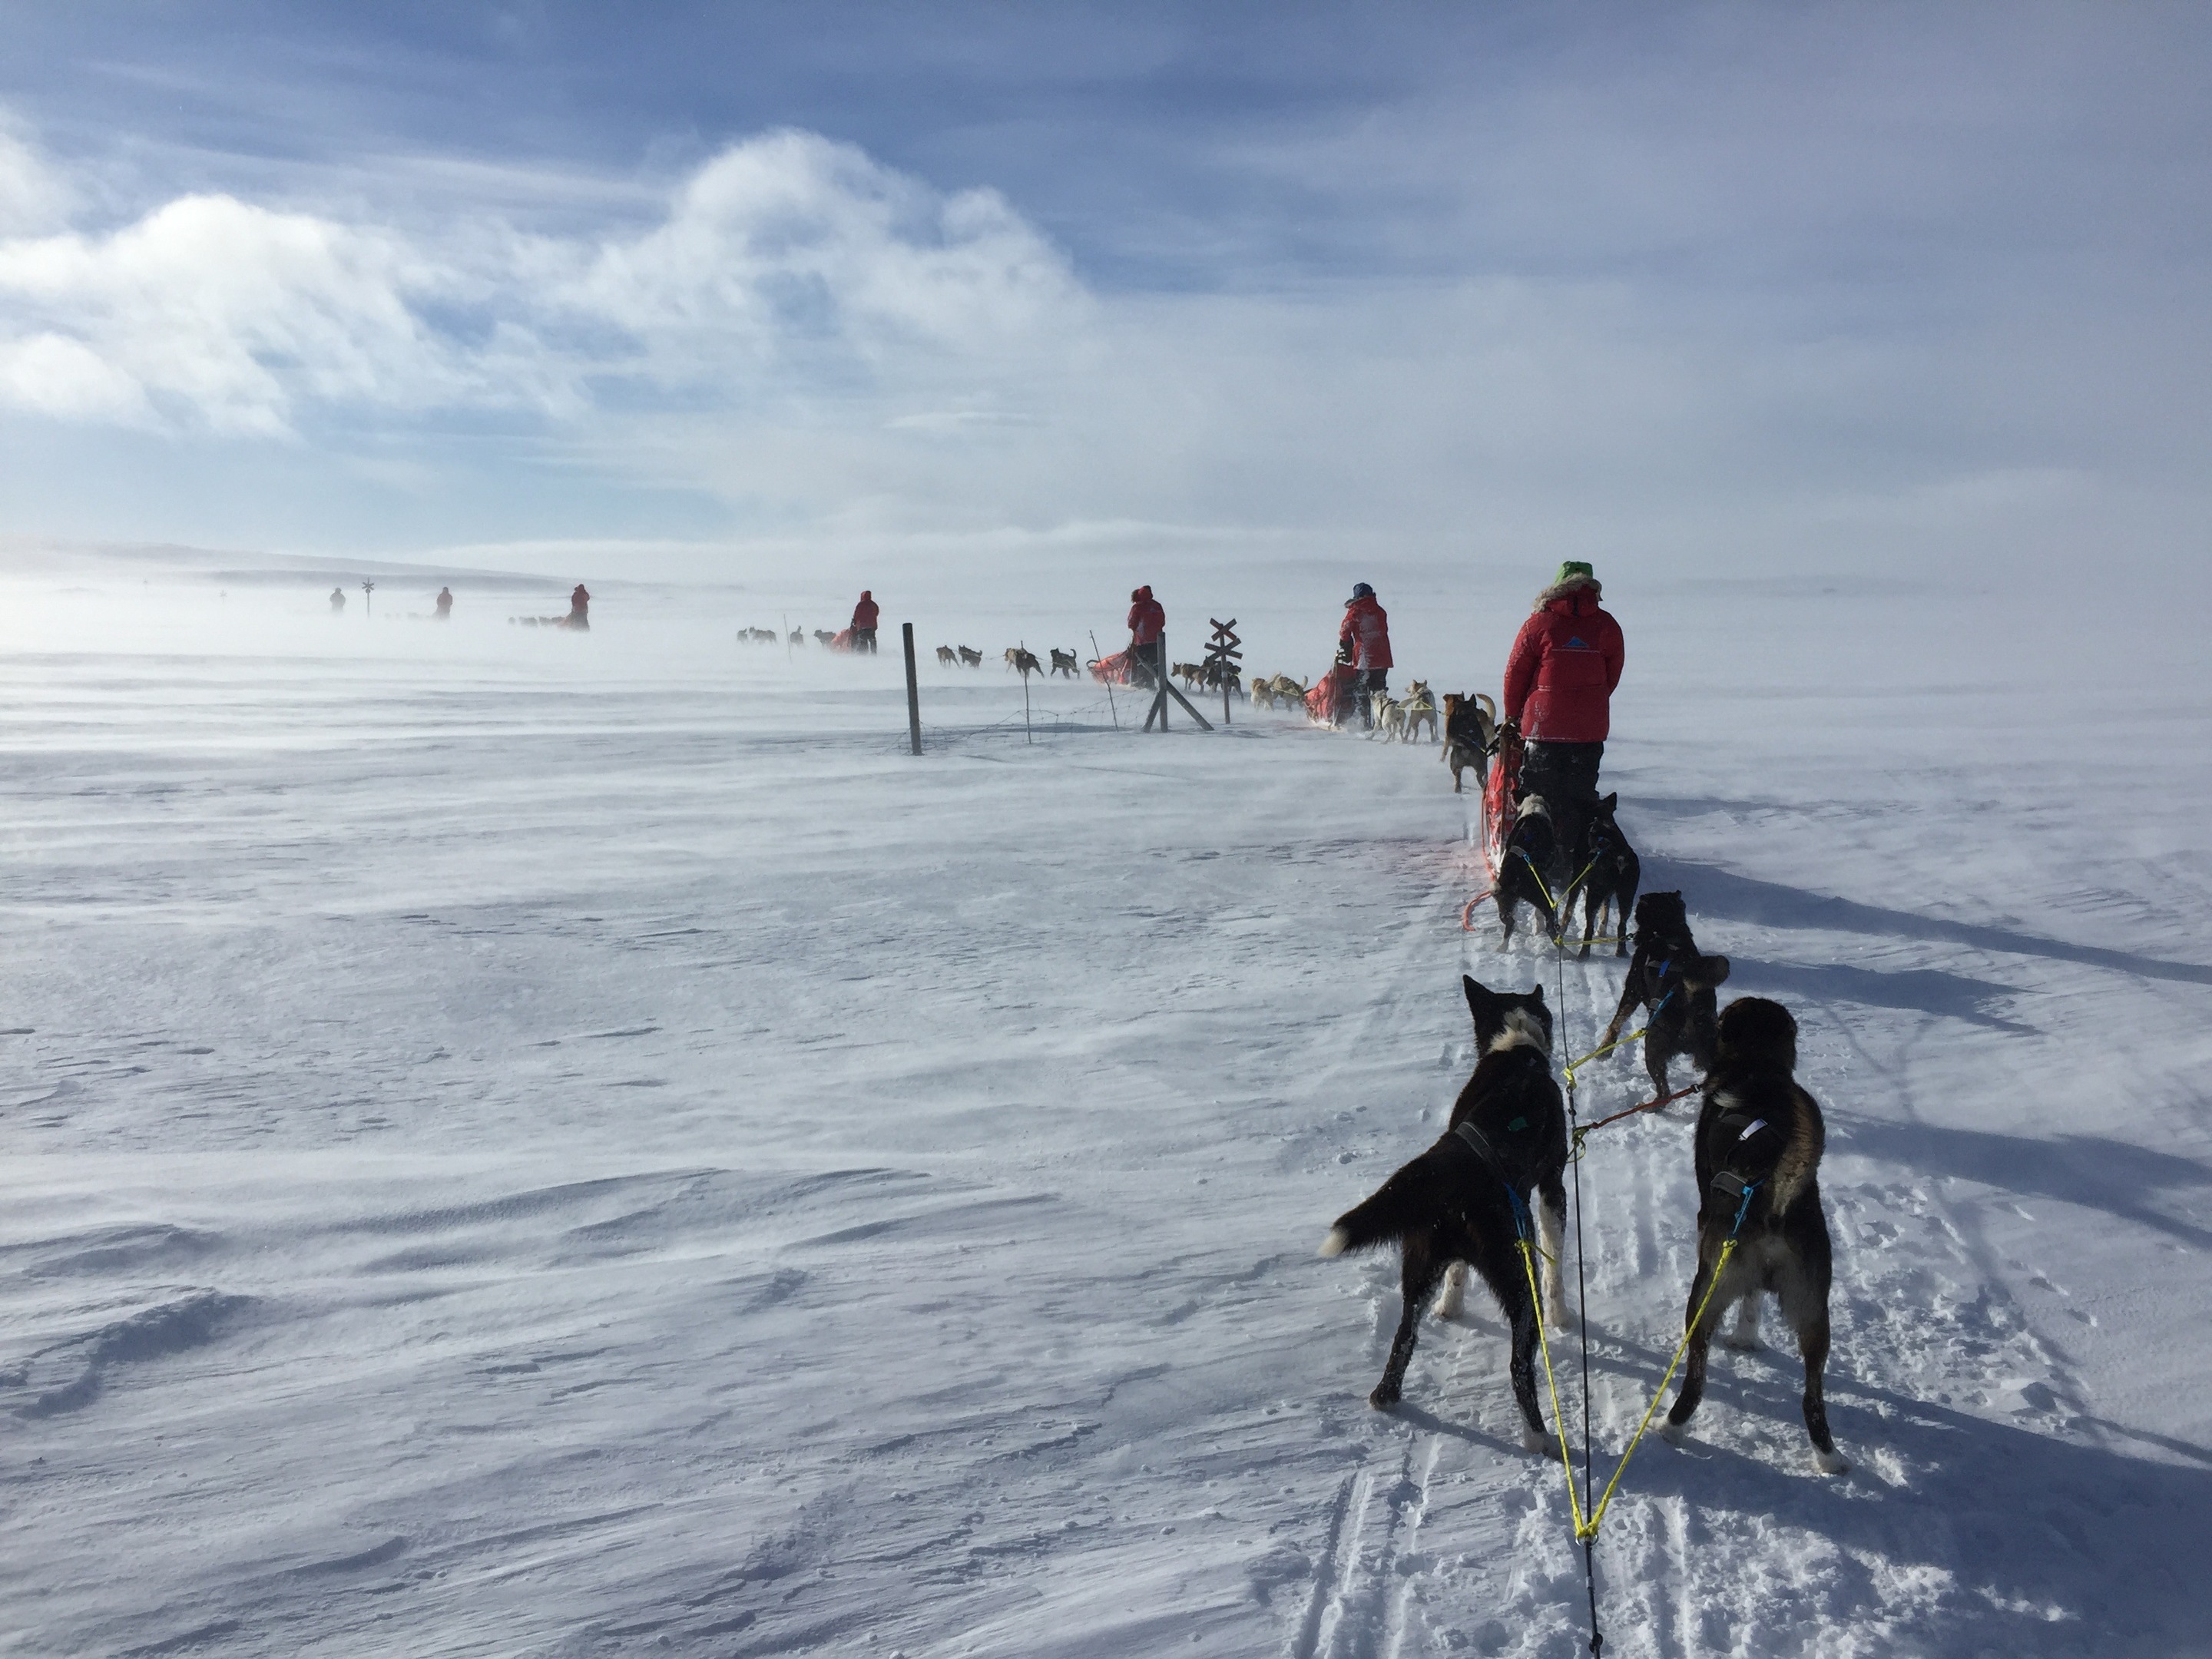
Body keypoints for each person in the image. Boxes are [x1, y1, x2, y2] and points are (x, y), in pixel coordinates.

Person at [1501, 561, 1624, 862]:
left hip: (1544, 727)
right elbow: (1612, 674)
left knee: (1539, 796)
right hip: (1589, 731)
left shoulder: (1538, 624)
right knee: (1580, 797)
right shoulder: (1607, 625)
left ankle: (1535, 855)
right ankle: (1574, 855)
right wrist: (1589, 703)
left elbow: (1515, 674)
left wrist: (1512, 714)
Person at [1336, 582, 1392, 729]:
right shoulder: (1380, 611)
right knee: (1379, 690)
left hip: (1364, 658)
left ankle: (1363, 722)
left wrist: (1346, 646)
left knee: (1361, 690)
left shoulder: (1355, 612)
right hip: (1383, 657)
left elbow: (1344, 631)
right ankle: (1381, 722)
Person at [1126, 584, 1164, 687]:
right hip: (1157, 640)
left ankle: (1143, 683)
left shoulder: (1137, 607)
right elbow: (1162, 622)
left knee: (1142, 662)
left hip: (1142, 640)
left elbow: (1131, 623)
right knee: (1154, 663)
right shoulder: (1157, 606)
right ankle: (1156, 683)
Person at [850, 590, 879, 654]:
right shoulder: (873, 604)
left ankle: (864, 654)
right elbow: (877, 613)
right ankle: (874, 653)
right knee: (872, 639)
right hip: (872, 626)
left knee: (863, 640)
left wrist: (855, 621)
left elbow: (857, 614)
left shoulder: (860, 604)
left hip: (862, 626)